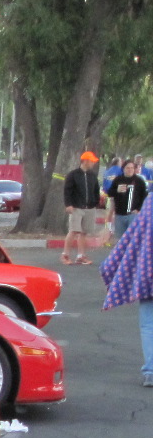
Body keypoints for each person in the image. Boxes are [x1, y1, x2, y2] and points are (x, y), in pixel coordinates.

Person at [101, 204, 153, 387]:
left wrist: (112, 266)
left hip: (148, 275)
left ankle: (151, 371)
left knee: (149, 325)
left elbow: (133, 238)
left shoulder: (150, 203)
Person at [62, 151, 102, 266]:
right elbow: (67, 191)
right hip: (76, 207)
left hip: (90, 208)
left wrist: (96, 202)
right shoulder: (73, 174)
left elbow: (96, 190)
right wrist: (68, 204)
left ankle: (80, 256)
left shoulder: (93, 175)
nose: (93, 163)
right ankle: (65, 255)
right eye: (91, 161)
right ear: (85, 161)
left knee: (84, 232)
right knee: (74, 230)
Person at [107, 157, 147, 245]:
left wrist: (138, 209)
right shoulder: (118, 180)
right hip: (119, 213)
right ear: (123, 169)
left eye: (132, 168)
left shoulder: (139, 181)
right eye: (128, 168)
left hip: (133, 213)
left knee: (132, 237)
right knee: (120, 239)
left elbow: (144, 196)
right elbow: (110, 193)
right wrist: (117, 190)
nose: (130, 170)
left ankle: (131, 256)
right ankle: (121, 257)